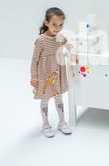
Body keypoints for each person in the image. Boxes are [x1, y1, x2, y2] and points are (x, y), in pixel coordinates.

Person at [30, 7, 78, 138]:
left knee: (59, 97)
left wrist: (73, 54)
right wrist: (34, 78)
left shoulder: (60, 37)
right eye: (54, 24)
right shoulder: (40, 40)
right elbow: (34, 60)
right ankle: (45, 124)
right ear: (47, 23)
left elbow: (70, 46)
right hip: (45, 74)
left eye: (61, 25)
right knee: (45, 99)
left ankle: (62, 122)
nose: (58, 28)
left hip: (58, 72)